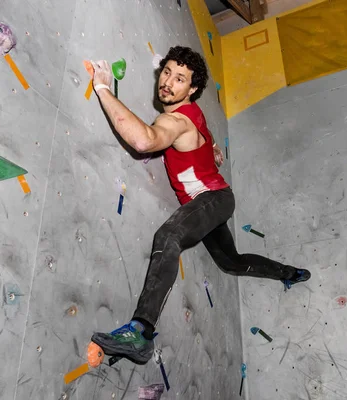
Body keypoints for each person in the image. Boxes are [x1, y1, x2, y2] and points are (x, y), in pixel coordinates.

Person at [89, 46, 311, 365]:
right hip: (211, 206)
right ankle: (287, 272)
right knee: (231, 262)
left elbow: (144, 141)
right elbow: (202, 136)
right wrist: (212, 150)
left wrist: (103, 88)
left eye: (180, 79)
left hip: (213, 200)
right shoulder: (193, 114)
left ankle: (141, 332)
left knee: (168, 237)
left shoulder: (177, 120)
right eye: (166, 72)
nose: (168, 82)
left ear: (191, 89)